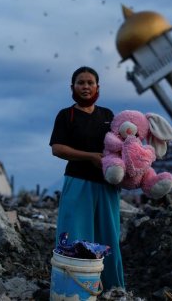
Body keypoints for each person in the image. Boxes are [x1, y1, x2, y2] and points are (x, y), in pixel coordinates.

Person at [49, 66, 125, 290]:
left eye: (90, 82)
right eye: (80, 82)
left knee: (108, 237)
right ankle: (73, 289)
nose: (85, 86)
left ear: (97, 87)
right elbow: (57, 148)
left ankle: (113, 289)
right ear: (72, 87)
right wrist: (89, 156)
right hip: (78, 182)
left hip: (107, 185)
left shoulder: (108, 115)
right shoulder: (66, 115)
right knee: (75, 236)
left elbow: (119, 146)